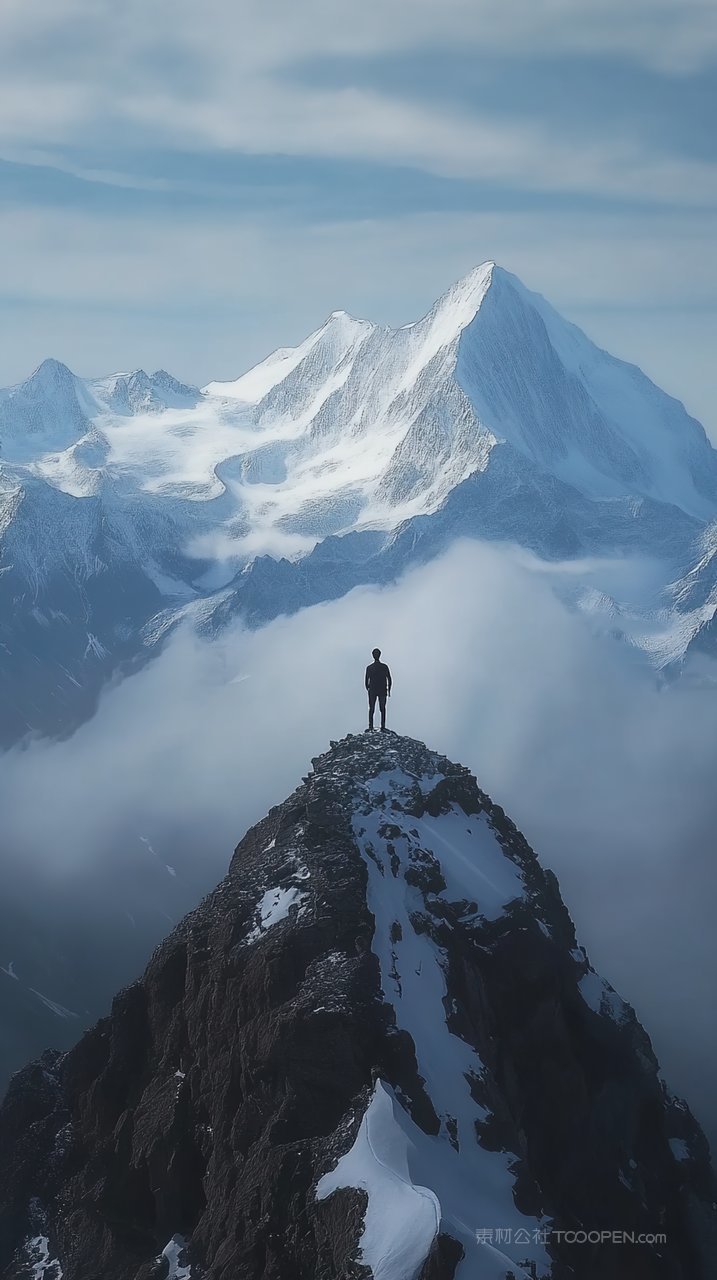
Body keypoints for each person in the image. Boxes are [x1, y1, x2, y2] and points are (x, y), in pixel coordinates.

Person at [365, 647, 392, 731]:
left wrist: (368, 689)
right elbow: (389, 679)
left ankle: (371, 726)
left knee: (373, 708)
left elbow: (366, 681)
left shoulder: (369, 667)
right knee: (381, 708)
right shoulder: (384, 667)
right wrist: (389, 689)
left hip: (373, 690)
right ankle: (382, 726)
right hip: (381, 690)